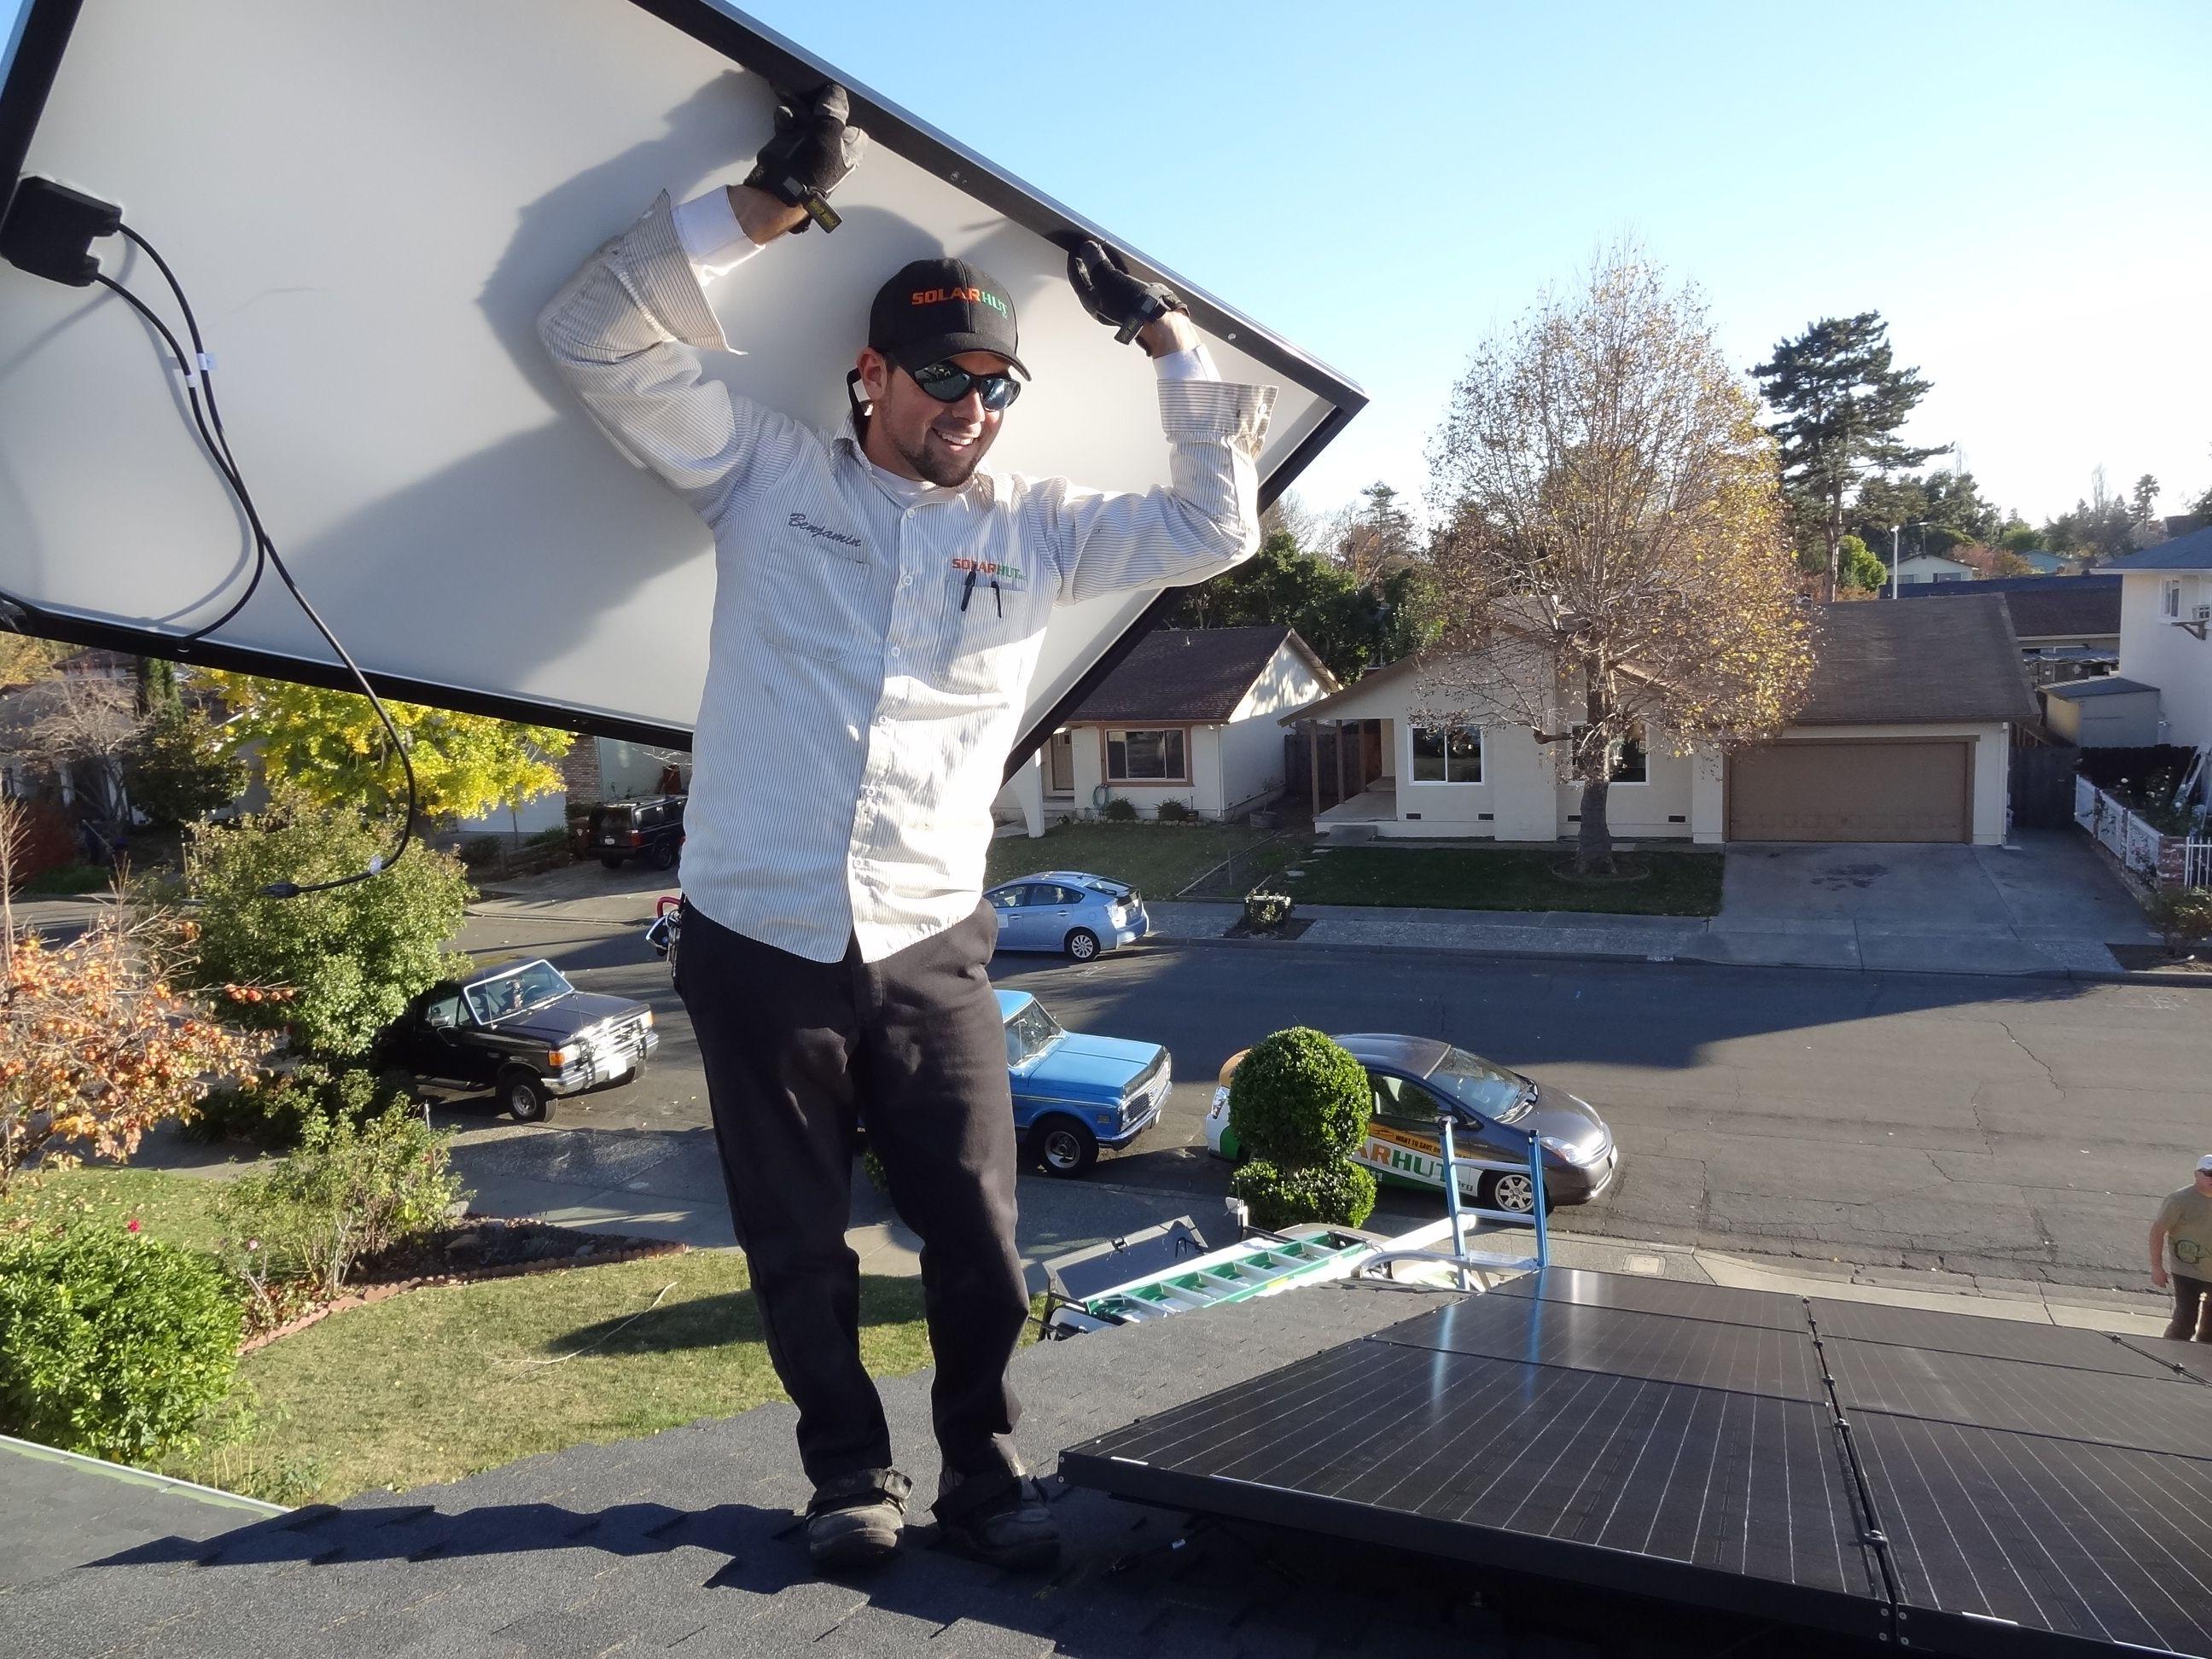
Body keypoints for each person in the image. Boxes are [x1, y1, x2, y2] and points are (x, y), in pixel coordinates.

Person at [537, 85, 1272, 1573]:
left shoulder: (1038, 526)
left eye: (995, 383)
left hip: (934, 942)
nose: (973, 405)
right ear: (870, 374)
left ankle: (986, 1477)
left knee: (982, 1236)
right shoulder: (763, 472)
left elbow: (1215, 528)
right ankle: (843, 1476)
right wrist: (754, 210)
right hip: (756, 935)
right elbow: (589, 338)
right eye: (943, 373)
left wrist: (1162, 337)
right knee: (794, 1239)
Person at [2150, 1155, 2212, 1342]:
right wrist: (2156, 1267)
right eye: (2208, 1174)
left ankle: (2201, 1365)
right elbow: (2157, 1231)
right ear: (2196, 1175)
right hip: (2187, 1270)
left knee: (2210, 1330)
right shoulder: (2179, 1200)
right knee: (2185, 1320)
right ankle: (2170, 1357)